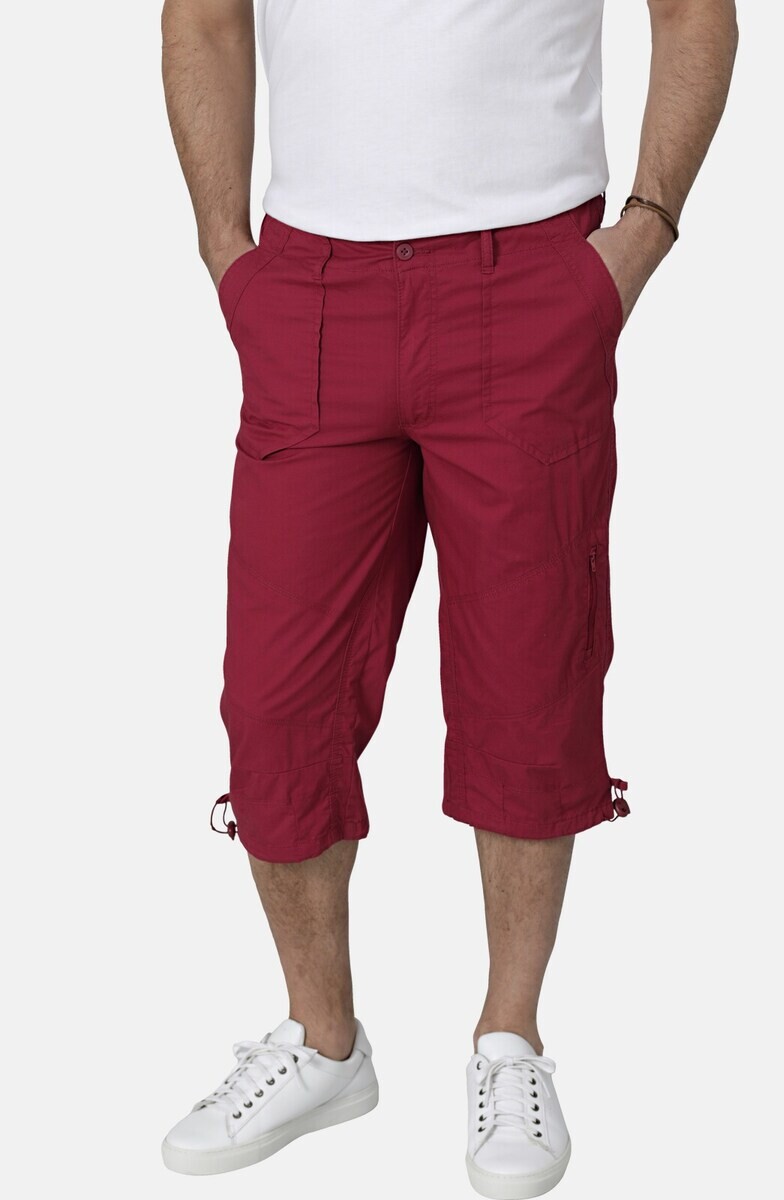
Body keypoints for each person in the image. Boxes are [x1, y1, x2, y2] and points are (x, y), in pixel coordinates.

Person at [160, 0, 737, 1192]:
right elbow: (204, 16)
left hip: (528, 274)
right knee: (275, 699)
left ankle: (509, 1037)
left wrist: (642, 233)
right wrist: (226, 251)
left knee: (530, 681)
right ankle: (323, 1041)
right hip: (311, 282)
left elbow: (693, 13)